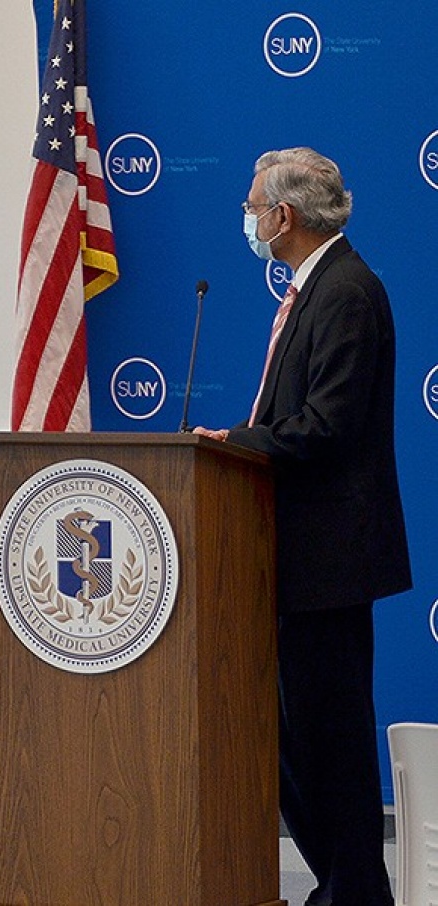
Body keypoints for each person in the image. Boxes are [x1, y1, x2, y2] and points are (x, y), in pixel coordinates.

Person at [194, 147, 410, 906]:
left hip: (329, 560)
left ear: (283, 216)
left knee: (331, 743)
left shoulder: (347, 291)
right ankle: (345, 888)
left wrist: (235, 444)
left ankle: (355, 894)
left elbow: (327, 428)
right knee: (300, 742)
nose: (249, 218)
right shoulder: (314, 289)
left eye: (254, 206)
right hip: (296, 556)